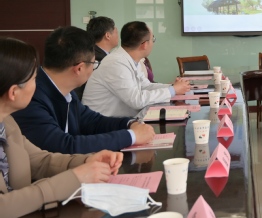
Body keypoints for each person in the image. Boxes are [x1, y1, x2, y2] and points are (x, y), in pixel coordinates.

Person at [0, 37, 123, 218]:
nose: (37, 84)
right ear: (14, 92)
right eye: (34, 79)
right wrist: (74, 179)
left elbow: (40, 160)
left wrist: (87, 161)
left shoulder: (7, 122)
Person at [12, 27, 155, 154]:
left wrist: (130, 124)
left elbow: (92, 121)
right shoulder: (30, 97)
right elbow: (64, 146)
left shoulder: (66, 91)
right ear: (79, 68)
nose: (93, 68)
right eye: (94, 63)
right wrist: (131, 136)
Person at [83, 21, 191, 117]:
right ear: (144, 45)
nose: (153, 43)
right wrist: (173, 90)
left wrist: (173, 87)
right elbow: (136, 100)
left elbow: (146, 86)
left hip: (121, 121)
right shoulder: (115, 63)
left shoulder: (130, 59)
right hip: (103, 126)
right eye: (153, 39)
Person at [75, 16, 119, 99]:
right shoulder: (97, 59)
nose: (118, 36)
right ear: (108, 35)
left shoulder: (91, 52)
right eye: (116, 32)